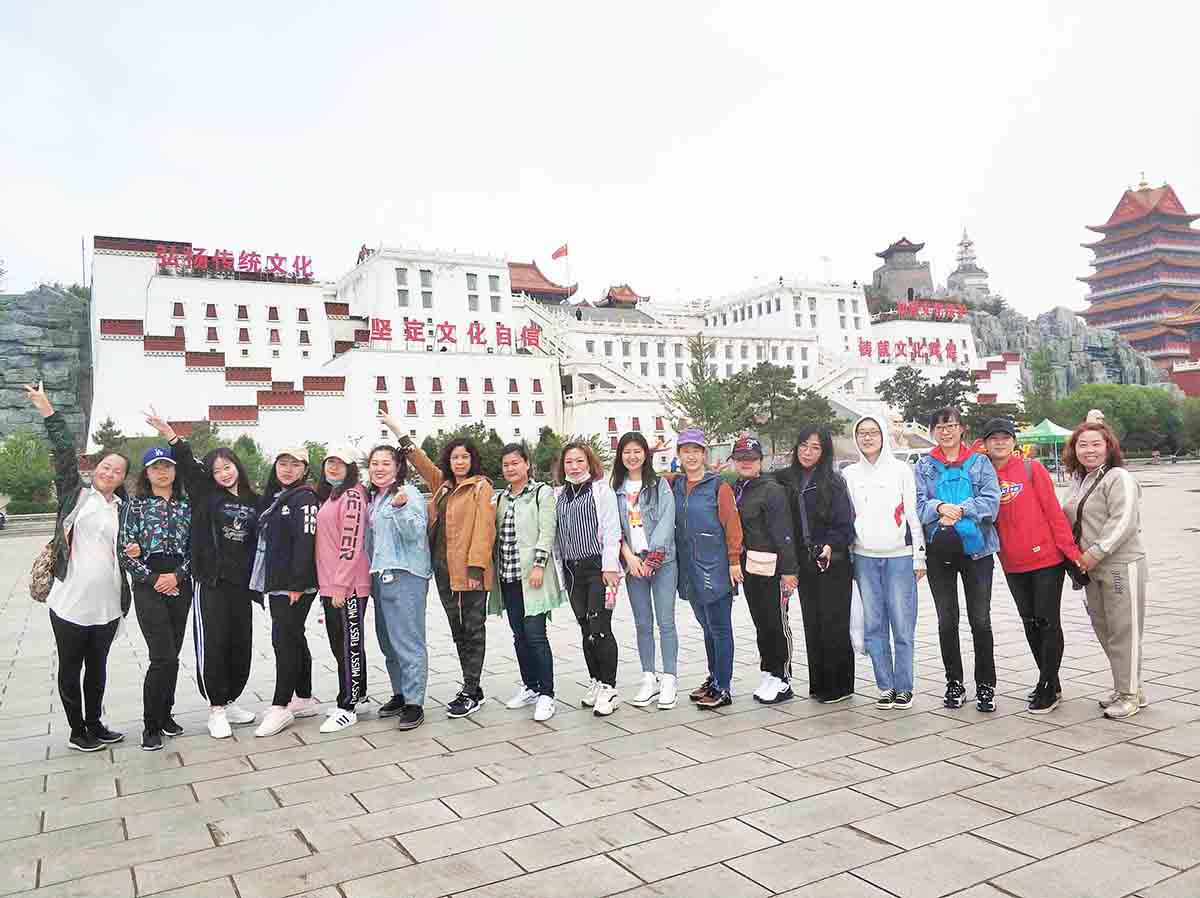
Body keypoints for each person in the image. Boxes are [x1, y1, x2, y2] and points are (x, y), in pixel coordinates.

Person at [26, 383, 129, 752]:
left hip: (107, 605)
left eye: (117, 471)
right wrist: (48, 410)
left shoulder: (123, 509)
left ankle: (95, 723)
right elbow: (64, 454)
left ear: (123, 478)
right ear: (95, 468)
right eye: (105, 466)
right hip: (70, 602)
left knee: (97, 668)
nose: (109, 473)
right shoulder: (76, 494)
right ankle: (76, 730)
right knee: (71, 668)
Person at [146, 409, 260, 739]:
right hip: (211, 583)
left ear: (238, 466)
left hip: (242, 586)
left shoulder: (254, 500)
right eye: (217, 470)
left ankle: (231, 699)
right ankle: (216, 708)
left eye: (228, 467)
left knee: (240, 644)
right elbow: (188, 463)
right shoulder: (205, 493)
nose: (223, 474)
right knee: (214, 644)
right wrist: (170, 433)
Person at [983, 418, 1083, 714]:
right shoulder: (982, 474)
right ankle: (1049, 680)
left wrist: (1071, 553)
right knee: (1030, 623)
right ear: (985, 443)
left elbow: (1053, 512)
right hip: (1012, 562)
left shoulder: (1031, 468)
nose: (1000, 442)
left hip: (1046, 559)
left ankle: (1048, 685)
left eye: (1005, 437)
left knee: (1048, 621)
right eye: (993, 438)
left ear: (1013, 441)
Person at [915, 407, 1001, 711]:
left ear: (961, 428)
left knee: (981, 620)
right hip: (939, 550)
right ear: (932, 431)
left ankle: (986, 685)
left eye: (951, 425)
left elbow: (992, 501)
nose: (946, 432)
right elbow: (918, 504)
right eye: (939, 427)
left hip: (977, 551)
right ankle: (954, 682)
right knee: (946, 620)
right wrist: (940, 508)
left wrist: (962, 509)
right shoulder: (924, 465)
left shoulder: (980, 462)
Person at [1062, 422, 1148, 719]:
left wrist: (1095, 553)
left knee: (1124, 631)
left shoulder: (1118, 477)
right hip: (1090, 568)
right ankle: (1128, 685)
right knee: (1105, 631)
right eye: (1082, 444)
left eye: (1096, 444)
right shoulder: (1079, 479)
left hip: (1120, 565)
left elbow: (1123, 520)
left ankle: (1130, 695)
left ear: (1109, 447)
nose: (1089, 450)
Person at [406, 435, 496, 718]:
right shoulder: (443, 486)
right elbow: (420, 462)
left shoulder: (480, 487)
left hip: (470, 570)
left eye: (464, 457)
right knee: (458, 630)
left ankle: (470, 690)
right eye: (455, 457)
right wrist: (397, 431)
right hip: (444, 570)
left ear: (472, 460)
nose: (459, 462)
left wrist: (476, 568)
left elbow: (485, 529)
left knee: (473, 629)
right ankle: (473, 687)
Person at [843, 416, 925, 711]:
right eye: (862, 433)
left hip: (899, 556)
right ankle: (885, 686)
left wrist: (919, 555)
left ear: (882, 435)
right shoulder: (849, 474)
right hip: (864, 557)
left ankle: (904, 687)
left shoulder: (901, 470)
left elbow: (913, 514)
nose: (867, 438)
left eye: (873, 432)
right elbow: (847, 516)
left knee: (902, 624)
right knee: (874, 625)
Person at [119, 447, 192, 751]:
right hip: (148, 586)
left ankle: (166, 714)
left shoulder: (188, 505)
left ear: (175, 471)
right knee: (161, 656)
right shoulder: (134, 506)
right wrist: (154, 579)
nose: (162, 472)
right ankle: (150, 726)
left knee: (173, 654)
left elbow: (197, 549)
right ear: (146, 473)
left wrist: (177, 575)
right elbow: (124, 550)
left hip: (180, 583)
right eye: (155, 468)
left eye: (167, 467)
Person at [777, 426, 856, 704]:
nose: (807, 452)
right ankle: (819, 684)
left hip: (832, 562)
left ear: (824, 452)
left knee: (834, 623)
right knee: (812, 623)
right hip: (804, 563)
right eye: (803, 445)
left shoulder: (833, 482)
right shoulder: (786, 479)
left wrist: (830, 545)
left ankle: (839, 686)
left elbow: (846, 526)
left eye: (815, 447)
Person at [491, 444, 565, 722]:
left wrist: (539, 565)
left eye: (515, 463)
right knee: (519, 635)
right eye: (506, 464)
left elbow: (547, 530)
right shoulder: (502, 498)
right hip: (508, 577)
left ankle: (547, 694)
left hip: (534, 576)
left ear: (527, 464)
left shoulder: (541, 493)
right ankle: (530, 686)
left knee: (535, 634)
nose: (510, 468)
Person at [251, 447, 321, 737]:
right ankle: (303, 697)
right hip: (279, 581)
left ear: (305, 469)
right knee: (293, 635)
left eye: (295, 464)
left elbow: (307, 540)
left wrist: (297, 583)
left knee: (283, 639)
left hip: (294, 585)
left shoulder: (305, 498)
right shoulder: (278, 496)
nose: (288, 469)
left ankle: (281, 705)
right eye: (283, 463)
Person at [673, 429, 744, 710]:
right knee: (707, 627)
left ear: (704, 454)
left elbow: (732, 524)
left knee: (720, 628)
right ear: (679, 455)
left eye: (696, 451)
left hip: (715, 567)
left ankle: (723, 687)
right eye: (685, 451)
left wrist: (734, 560)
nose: (691, 456)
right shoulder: (675, 485)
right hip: (689, 569)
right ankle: (714, 678)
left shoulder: (718, 486)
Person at [364, 430, 430, 731]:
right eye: (374, 463)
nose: (379, 468)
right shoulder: (375, 498)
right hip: (381, 576)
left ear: (397, 467)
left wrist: (401, 508)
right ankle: (400, 693)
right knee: (388, 640)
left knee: (408, 640)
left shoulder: (408, 493)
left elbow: (415, 533)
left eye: (385, 463)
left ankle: (415, 703)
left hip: (406, 575)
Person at [555, 443, 624, 715]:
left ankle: (610, 687)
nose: (574, 466)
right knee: (585, 627)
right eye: (569, 462)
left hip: (598, 568)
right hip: (572, 571)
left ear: (589, 463)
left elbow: (612, 529)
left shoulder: (601, 491)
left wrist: (610, 567)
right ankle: (595, 680)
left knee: (600, 626)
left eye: (579, 461)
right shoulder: (559, 494)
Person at [612, 432, 679, 709]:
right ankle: (648, 677)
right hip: (634, 565)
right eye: (626, 451)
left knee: (666, 622)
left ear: (645, 454)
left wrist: (653, 558)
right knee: (642, 623)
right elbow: (613, 526)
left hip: (663, 563)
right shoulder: (616, 488)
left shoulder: (659, 484)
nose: (632, 456)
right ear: (620, 456)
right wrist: (629, 557)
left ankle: (670, 679)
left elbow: (667, 520)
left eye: (637, 451)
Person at [730, 435, 798, 705]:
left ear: (761, 461)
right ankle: (769, 671)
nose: (746, 463)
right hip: (751, 568)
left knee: (777, 622)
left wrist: (789, 571)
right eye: (741, 458)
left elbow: (784, 533)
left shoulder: (772, 490)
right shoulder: (738, 487)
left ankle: (783, 678)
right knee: (761, 623)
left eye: (751, 458)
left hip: (774, 568)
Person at [314, 446, 371, 733]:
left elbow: (351, 542)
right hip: (331, 584)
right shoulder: (334, 495)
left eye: (340, 463)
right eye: (329, 463)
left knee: (349, 646)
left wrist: (340, 585)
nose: (333, 468)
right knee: (342, 646)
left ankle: (347, 707)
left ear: (350, 468)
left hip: (348, 586)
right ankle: (357, 696)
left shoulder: (352, 496)